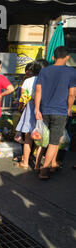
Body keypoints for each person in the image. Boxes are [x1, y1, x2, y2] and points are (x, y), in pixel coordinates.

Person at [34, 46, 76, 180]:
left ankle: (51, 163)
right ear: (67, 57)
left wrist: (36, 109)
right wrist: (69, 109)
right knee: (54, 141)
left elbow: (38, 91)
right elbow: (72, 94)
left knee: (45, 139)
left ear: (53, 57)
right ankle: (43, 171)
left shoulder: (44, 71)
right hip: (60, 111)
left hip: (45, 110)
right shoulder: (71, 72)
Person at [14, 60, 48, 171]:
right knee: (40, 138)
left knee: (28, 138)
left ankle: (25, 162)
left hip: (30, 108)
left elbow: (23, 99)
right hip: (43, 109)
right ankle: (37, 165)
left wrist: (21, 109)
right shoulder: (48, 81)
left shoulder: (28, 81)